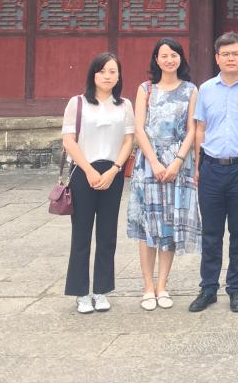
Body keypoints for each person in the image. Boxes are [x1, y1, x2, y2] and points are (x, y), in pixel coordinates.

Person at [189, 32, 238, 313]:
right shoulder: (206, 89)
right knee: (210, 232)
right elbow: (200, 129)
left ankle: (237, 288)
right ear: (217, 58)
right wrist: (198, 165)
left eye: (235, 53)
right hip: (211, 168)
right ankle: (208, 288)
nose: (230, 58)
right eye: (225, 54)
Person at [126, 37, 200, 311]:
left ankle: (162, 286)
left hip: (178, 162)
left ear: (181, 58)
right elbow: (139, 128)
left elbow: (193, 129)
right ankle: (148, 287)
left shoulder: (191, 89)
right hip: (149, 163)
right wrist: (155, 162)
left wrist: (178, 161)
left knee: (169, 223)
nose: (170, 60)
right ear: (156, 60)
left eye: (174, 55)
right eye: (164, 55)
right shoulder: (145, 89)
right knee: (148, 225)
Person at [61, 52, 135, 314]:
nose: (107, 76)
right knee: (81, 234)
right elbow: (69, 140)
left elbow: (128, 140)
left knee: (107, 235)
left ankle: (101, 290)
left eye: (113, 71)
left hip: (112, 173)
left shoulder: (124, 105)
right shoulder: (78, 103)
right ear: (93, 74)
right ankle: (80, 292)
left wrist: (115, 170)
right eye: (102, 71)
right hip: (84, 172)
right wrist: (89, 170)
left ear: (119, 76)